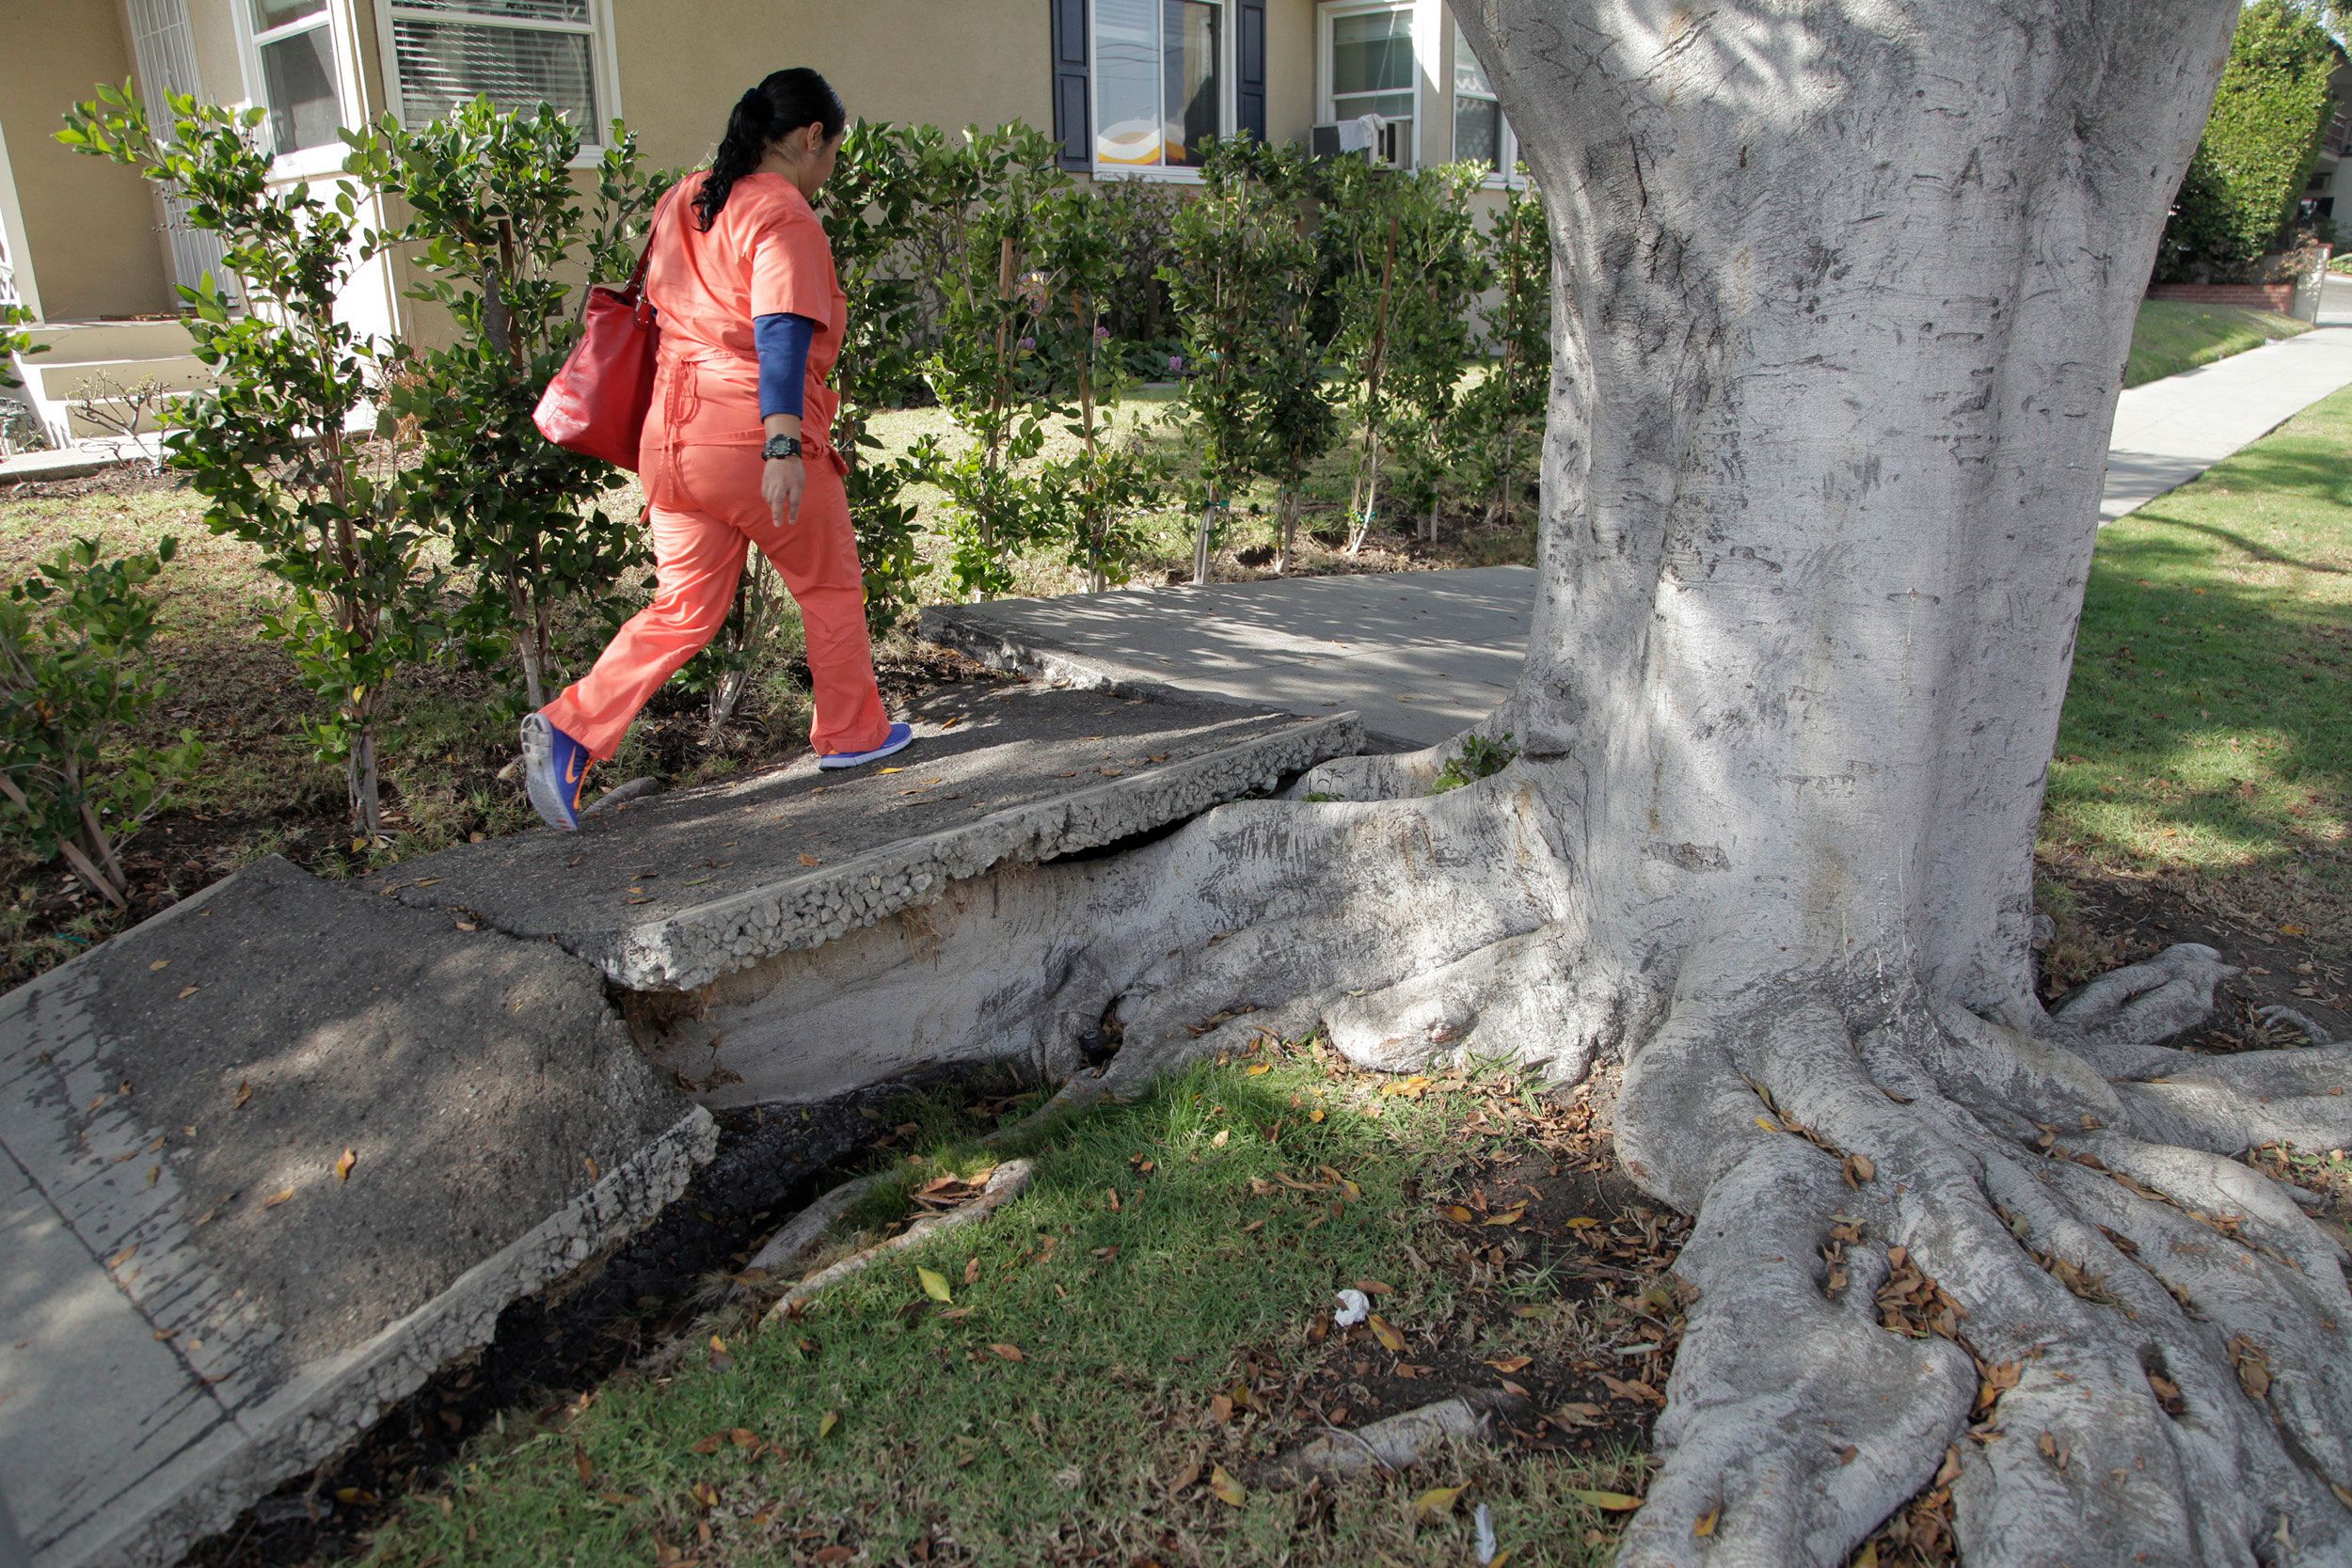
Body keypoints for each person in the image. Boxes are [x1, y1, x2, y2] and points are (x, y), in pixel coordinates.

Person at [520, 67, 912, 832]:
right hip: (750, 433)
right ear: (809, 138)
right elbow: (781, 329)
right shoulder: (786, 215)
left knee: (683, 609)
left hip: (669, 437)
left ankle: (570, 730)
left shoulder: (689, 196)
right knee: (828, 588)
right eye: (835, 148)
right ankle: (852, 735)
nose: (833, 166)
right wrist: (781, 443)